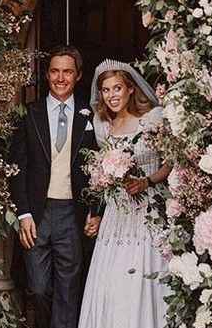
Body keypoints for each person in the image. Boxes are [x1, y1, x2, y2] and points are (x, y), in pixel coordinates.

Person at [9, 45, 100, 328]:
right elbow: (17, 168)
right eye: (55, 71)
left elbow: (101, 169)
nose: (61, 78)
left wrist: (95, 210)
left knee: (68, 291)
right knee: (38, 288)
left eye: (68, 72)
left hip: (73, 213)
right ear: (47, 75)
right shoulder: (29, 114)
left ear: (78, 76)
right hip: (37, 213)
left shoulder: (92, 116)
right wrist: (23, 213)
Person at [78, 59, 171, 328]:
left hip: (148, 211)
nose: (111, 96)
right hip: (117, 214)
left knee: (142, 277)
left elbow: (170, 162)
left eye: (117, 88)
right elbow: (101, 179)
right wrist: (94, 214)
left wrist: (147, 182)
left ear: (130, 89)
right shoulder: (103, 126)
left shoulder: (152, 119)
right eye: (106, 90)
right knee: (112, 282)